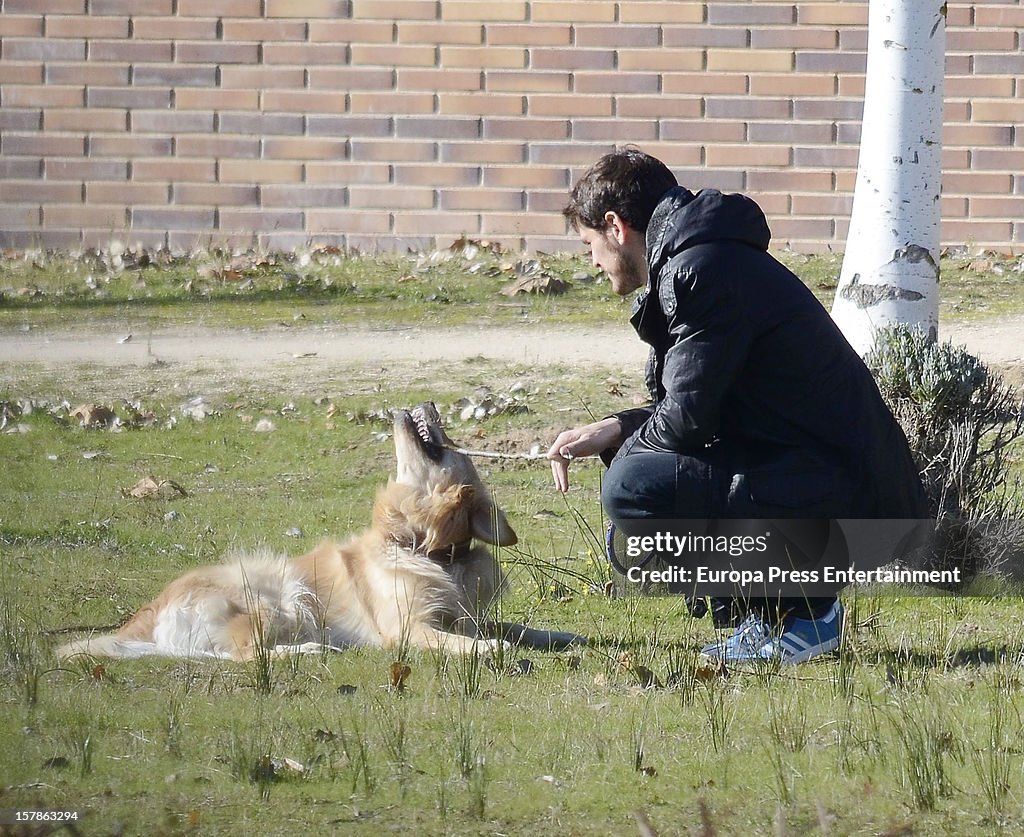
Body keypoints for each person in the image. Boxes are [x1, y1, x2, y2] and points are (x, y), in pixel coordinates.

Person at [547, 148, 928, 665]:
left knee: (634, 490)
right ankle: (774, 615)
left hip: (855, 508)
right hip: (835, 486)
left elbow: (686, 419)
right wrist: (617, 428)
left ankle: (805, 618)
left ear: (615, 227)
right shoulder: (705, 259)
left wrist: (627, 462)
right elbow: (705, 401)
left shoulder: (700, 270)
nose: (590, 261)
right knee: (638, 487)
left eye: (588, 243)